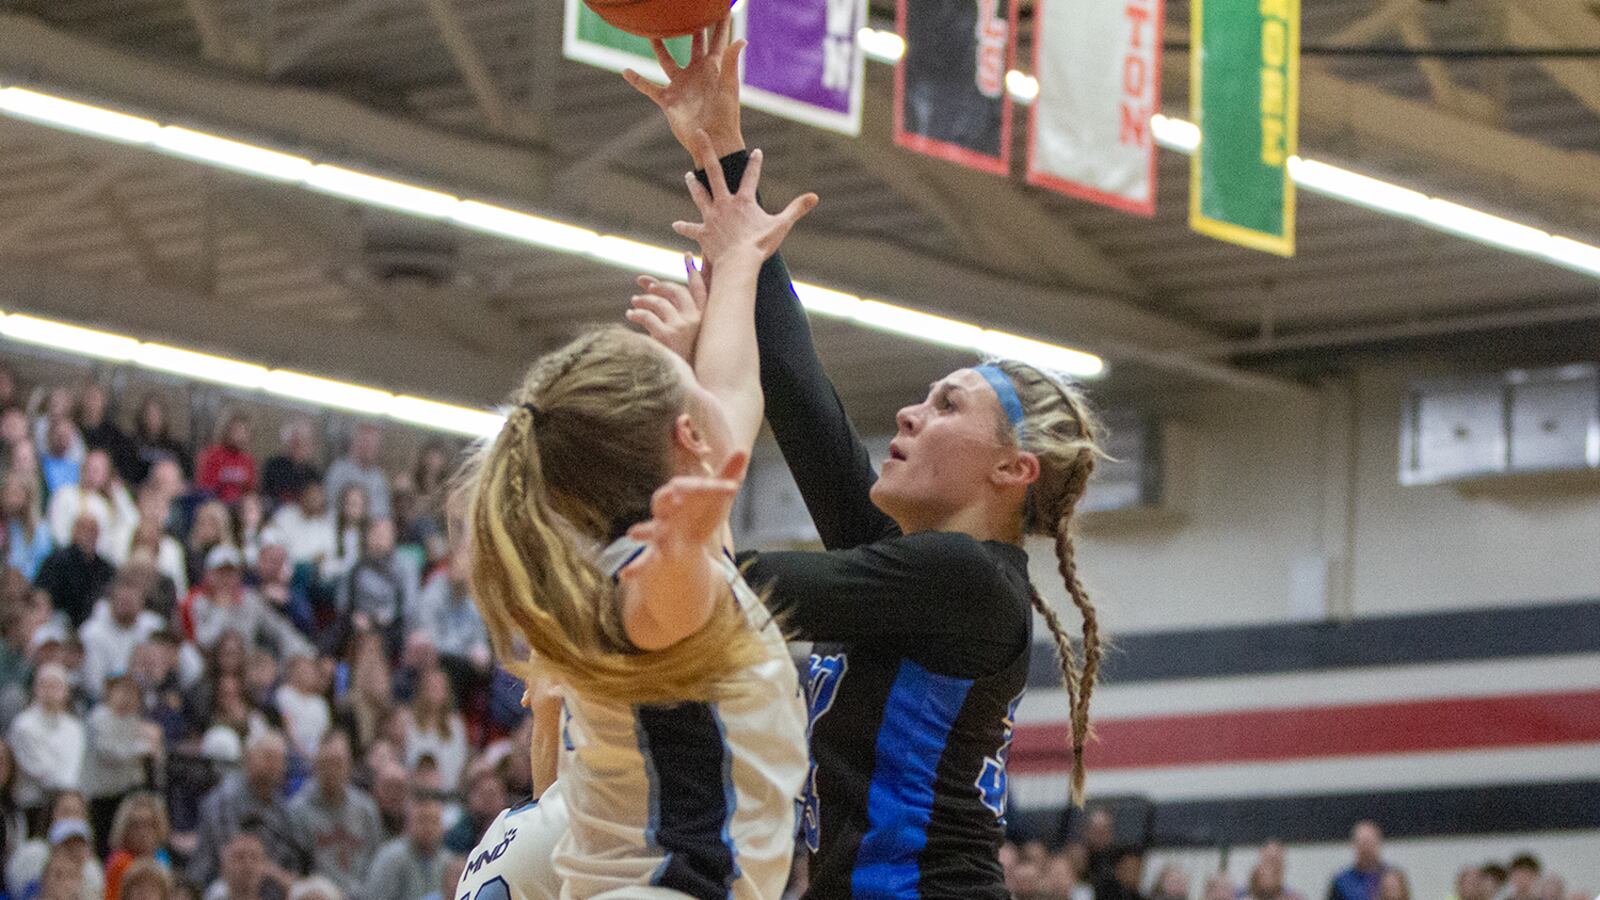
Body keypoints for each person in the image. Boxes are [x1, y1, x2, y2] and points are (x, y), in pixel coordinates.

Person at [628, 21, 1104, 898]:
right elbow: (809, 409)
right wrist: (722, 152)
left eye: (947, 405)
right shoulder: (922, 572)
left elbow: (723, 582)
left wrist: (690, 390)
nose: (909, 411)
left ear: (1013, 470)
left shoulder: (962, 579)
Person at [456, 129, 812, 898]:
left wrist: (742, 255)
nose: (702, 376)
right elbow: (660, 614)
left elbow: (735, 387)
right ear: (686, 436)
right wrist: (680, 556)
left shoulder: (640, 550)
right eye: (682, 377)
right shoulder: (646, 577)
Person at [189, 731, 308, 890]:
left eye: (280, 760)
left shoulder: (282, 807)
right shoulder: (225, 798)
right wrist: (276, 874)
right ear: (248, 759)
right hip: (218, 883)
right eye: (268, 757)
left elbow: (292, 859)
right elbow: (234, 858)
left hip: (269, 887)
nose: (274, 765)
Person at [287, 732, 381, 900]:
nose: (332, 771)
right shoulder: (298, 810)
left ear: (349, 765)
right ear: (315, 766)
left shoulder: (366, 808)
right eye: (326, 763)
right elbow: (296, 870)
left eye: (338, 763)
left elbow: (376, 863)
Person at [82, 674, 162, 851]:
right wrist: (140, 749)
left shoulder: (134, 720)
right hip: (102, 795)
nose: (127, 697)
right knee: (104, 844)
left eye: (132, 693)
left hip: (127, 794)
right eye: (122, 691)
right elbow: (108, 751)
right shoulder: (99, 718)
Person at [7, 665, 85, 828]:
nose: (50, 691)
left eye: (55, 685)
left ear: (66, 691)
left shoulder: (74, 727)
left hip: (67, 805)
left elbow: (73, 768)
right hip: (33, 806)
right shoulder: (23, 725)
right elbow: (40, 771)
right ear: (35, 689)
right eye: (44, 685)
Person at [79, 567, 165, 698]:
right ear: (112, 600)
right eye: (123, 602)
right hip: (105, 701)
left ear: (142, 601)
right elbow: (93, 683)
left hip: (148, 698)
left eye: (132, 601)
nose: (127, 606)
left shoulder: (154, 627)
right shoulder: (92, 632)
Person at [47, 448, 137, 557]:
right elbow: (57, 531)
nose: (92, 473)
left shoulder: (107, 506)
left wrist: (118, 493)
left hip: (100, 562)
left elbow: (132, 523)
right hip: (69, 557)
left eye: (98, 470)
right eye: (89, 467)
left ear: (107, 474)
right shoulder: (65, 494)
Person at [34, 515, 116, 630]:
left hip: (93, 622)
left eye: (93, 531)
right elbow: (42, 593)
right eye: (84, 529)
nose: (89, 535)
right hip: (59, 619)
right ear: (73, 531)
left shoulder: (105, 568)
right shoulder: (57, 561)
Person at [363, 792, 444, 900]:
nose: (428, 827)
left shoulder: (446, 860)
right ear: (408, 823)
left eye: (434, 821)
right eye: (422, 820)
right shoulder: (390, 857)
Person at [399, 668, 467, 794]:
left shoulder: (456, 724)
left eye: (440, 686)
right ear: (422, 689)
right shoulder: (407, 720)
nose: (436, 691)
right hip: (414, 791)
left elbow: (462, 763)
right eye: (432, 686)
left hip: (449, 793)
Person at [102, 792, 172, 900]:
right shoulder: (119, 864)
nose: (143, 832)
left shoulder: (162, 858)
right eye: (136, 825)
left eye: (150, 824)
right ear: (124, 829)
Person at [77, 384, 140, 487]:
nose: (91, 403)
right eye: (88, 398)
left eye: (96, 399)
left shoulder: (115, 435)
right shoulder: (74, 429)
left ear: (103, 402)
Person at [324, 426, 390, 521]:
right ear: (355, 443)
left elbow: (382, 514)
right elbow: (329, 505)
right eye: (365, 443)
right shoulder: (338, 470)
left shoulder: (380, 479)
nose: (368, 449)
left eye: (373, 446)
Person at [197, 415, 258, 507]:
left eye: (244, 432)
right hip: (216, 505)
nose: (240, 436)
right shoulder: (212, 455)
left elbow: (250, 491)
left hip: (239, 508)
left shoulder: (247, 460)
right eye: (237, 431)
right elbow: (205, 489)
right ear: (226, 431)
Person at [260, 420, 321, 508]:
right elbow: (266, 497)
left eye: (304, 442)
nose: (299, 446)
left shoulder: (314, 474)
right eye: (295, 442)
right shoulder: (273, 466)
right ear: (287, 443)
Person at [129, 395, 191, 483]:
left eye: (158, 414)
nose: (153, 418)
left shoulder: (176, 448)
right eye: (149, 413)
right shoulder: (131, 444)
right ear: (142, 416)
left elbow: (186, 478)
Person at [2, 476, 53, 581]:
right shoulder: (4, 526)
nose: (11, 499)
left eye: (16, 494)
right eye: (7, 494)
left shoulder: (40, 530)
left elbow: (43, 565)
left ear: (27, 497)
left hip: (27, 586)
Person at [1327, 822, 1388, 900]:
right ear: (1354, 845)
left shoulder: (1391, 879)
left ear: (1378, 843)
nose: (1366, 848)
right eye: (1363, 843)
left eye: (1370, 842)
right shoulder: (1341, 883)